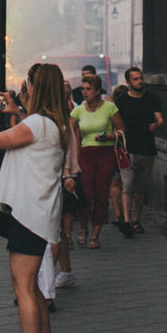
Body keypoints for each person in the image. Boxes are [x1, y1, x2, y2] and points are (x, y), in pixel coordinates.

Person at [0, 65, 71, 333]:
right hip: (41, 213)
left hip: (28, 215)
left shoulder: (37, 124)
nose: (24, 88)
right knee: (32, 286)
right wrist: (17, 109)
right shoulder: (54, 123)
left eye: (27, 85)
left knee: (23, 288)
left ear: (35, 87)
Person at [71, 70, 123, 248]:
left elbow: (122, 131)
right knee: (85, 193)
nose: (85, 92)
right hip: (85, 154)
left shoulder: (109, 108)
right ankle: (84, 227)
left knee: (101, 193)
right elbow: (67, 131)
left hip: (105, 153)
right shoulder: (78, 110)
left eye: (89, 89)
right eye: (83, 89)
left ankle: (95, 233)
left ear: (98, 90)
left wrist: (108, 136)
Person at [111, 65, 164, 235]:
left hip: (147, 148)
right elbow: (115, 124)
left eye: (141, 78)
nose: (140, 81)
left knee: (141, 188)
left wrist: (157, 125)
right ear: (128, 82)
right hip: (128, 149)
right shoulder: (121, 101)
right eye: (136, 79)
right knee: (127, 186)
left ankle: (136, 220)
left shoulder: (152, 98)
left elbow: (160, 119)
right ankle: (126, 220)